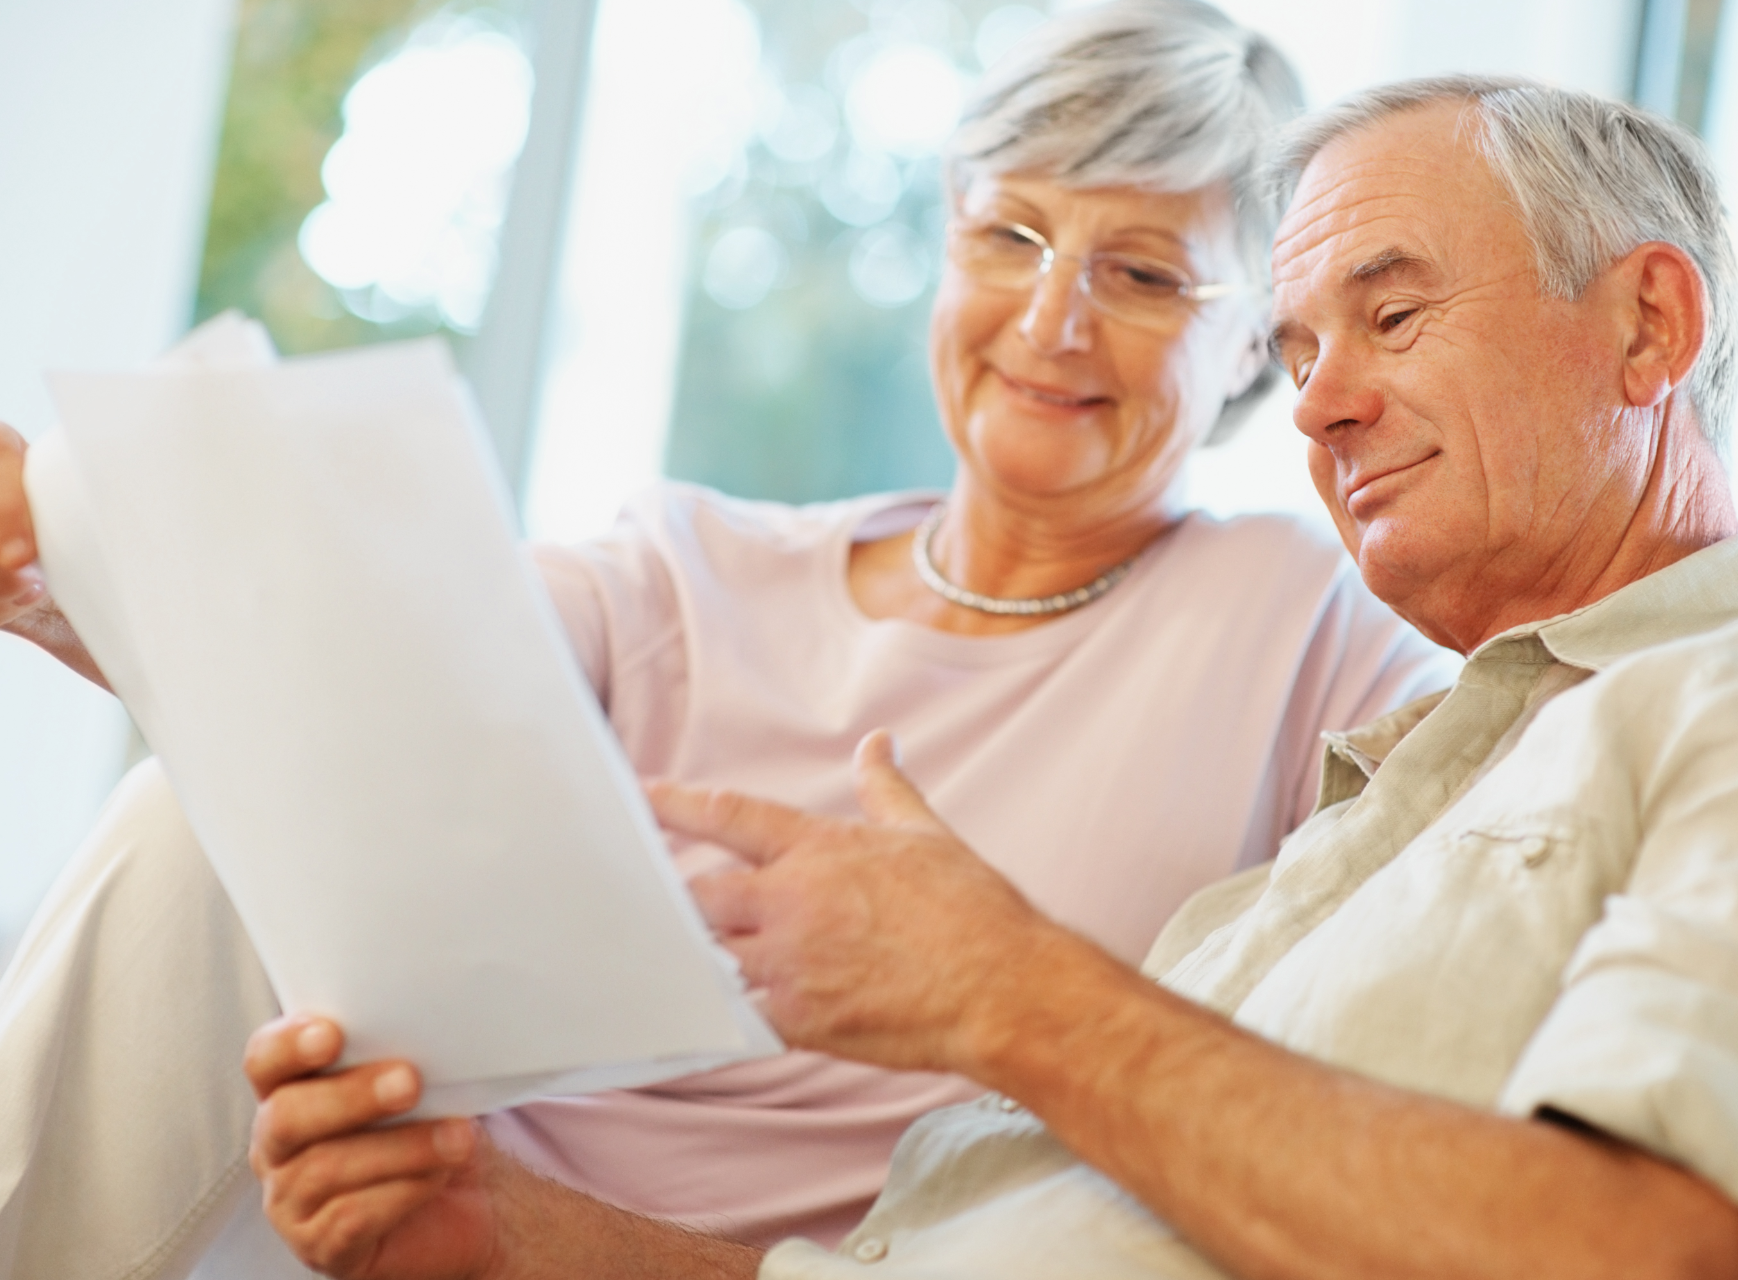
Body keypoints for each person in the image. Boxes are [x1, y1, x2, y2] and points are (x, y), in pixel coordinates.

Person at [246, 73, 1738, 1280]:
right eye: (1302, 351)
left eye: (1390, 318)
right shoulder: (1372, 802)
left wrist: (1006, 994)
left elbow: (1663, 1255)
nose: (1326, 406)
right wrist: (506, 1236)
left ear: (1648, 329)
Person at [0, 4, 1454, 1277]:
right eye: (1009, 235)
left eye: (1142, 275)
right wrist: (79, 577)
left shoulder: (1311, 631)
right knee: (187, 821)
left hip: (751, 1272)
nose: (1051, 319)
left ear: (1258, 344)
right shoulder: (684, 571)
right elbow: (348, 681)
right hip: (412, 1217)